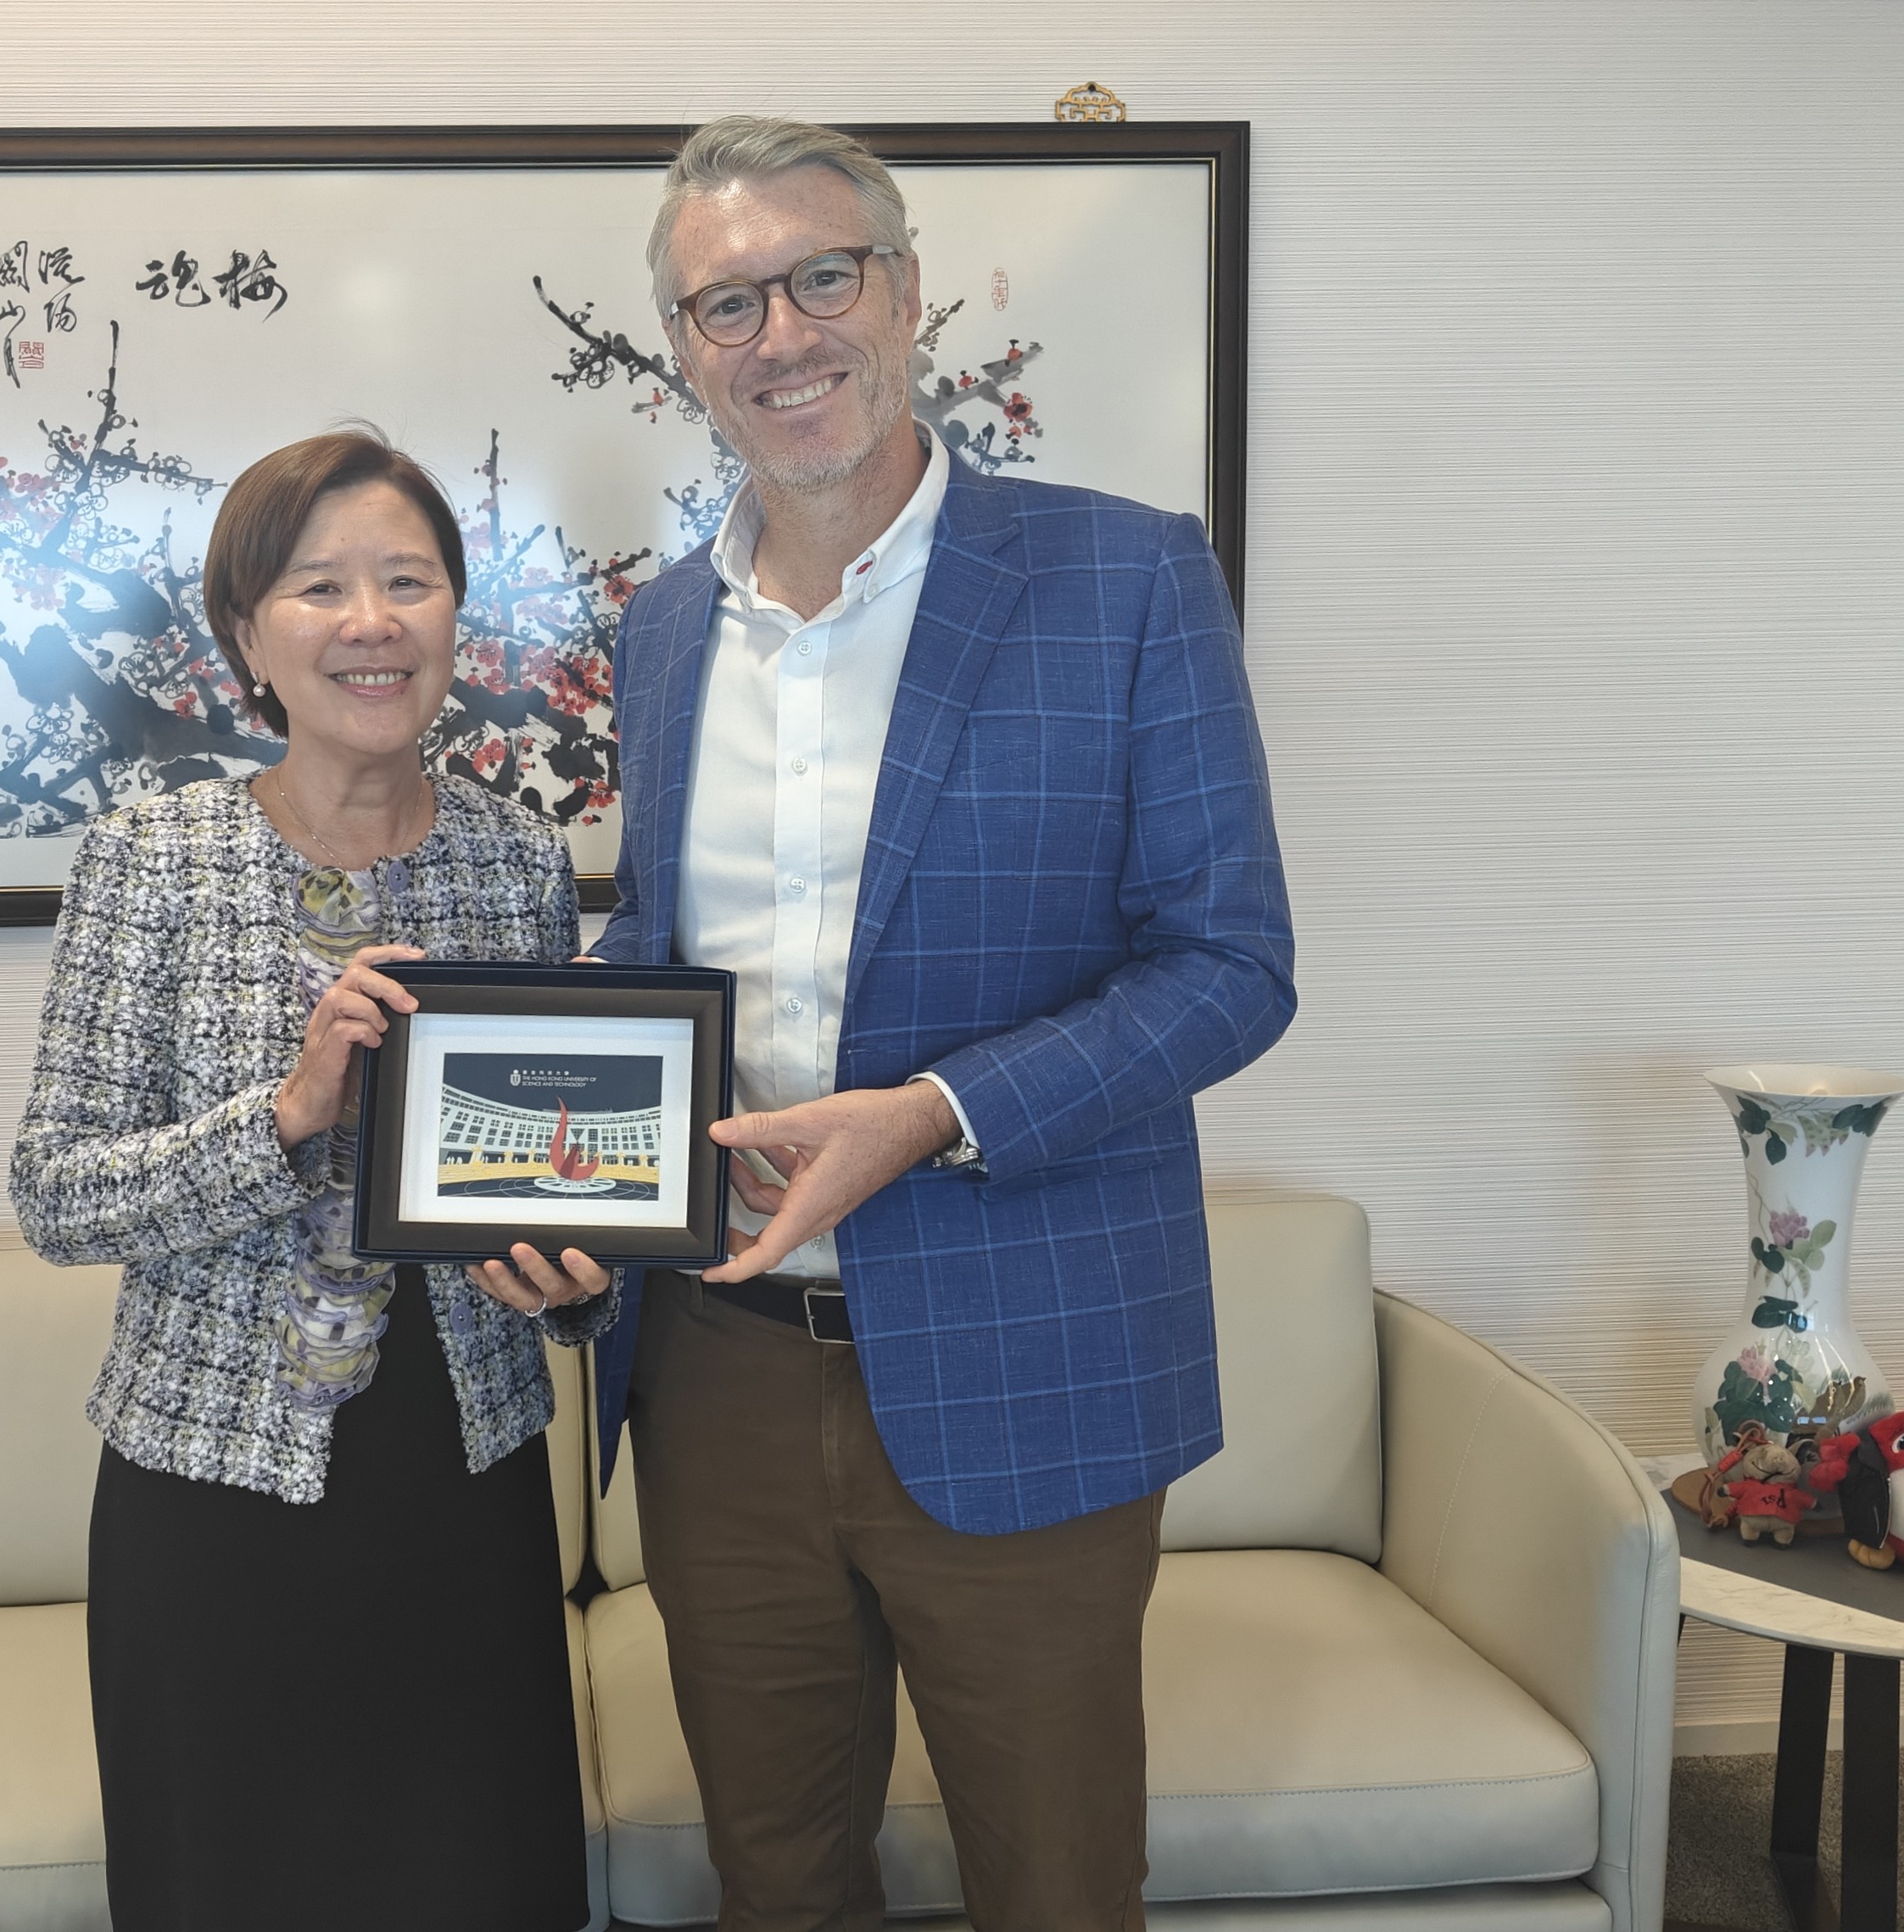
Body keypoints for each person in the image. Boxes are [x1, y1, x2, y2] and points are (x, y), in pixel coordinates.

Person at [589, 117, 1298, 1931]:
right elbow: (660, 956)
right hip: (721, 1360)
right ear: (682, 346)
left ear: (906, 293)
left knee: (1057, 1884)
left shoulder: (1125, 580)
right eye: (724, 301)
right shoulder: (664, 633)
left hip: (1030, 1344)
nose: (782, 332)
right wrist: (539, 1154)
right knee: (777, 1879)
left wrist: (931, 1111)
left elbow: (1228, 960)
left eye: (822, 276)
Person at [10, 427, 613, 1932]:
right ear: (246, 638)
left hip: (460, 1471)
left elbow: (564, 1168)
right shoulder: (152, 854)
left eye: (409, 580)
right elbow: (56, 1191)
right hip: (215, 1494)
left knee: (477, 1877)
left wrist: (581, 1274)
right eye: (321, 586)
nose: (372, 621)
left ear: (453, 622)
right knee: (238, 1883)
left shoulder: (515, 860)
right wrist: (284, 1115)